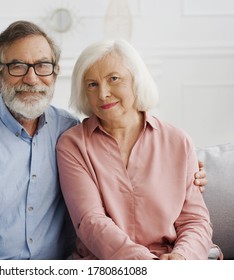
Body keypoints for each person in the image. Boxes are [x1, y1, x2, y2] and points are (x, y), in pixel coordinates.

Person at [0, 20, 208, 260]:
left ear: (55, 74)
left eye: (43, 66)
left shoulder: (67, 129)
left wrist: (188, 173)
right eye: (17, 66)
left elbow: (188, 215)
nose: (32, 78)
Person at [56, 39, 219, 260]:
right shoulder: (73, 145)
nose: (103, 93)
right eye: (92, 84)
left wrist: (182, 258)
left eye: (113, 79)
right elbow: (90, 221)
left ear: (136, 80)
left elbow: (195, 220)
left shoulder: (177, 141)